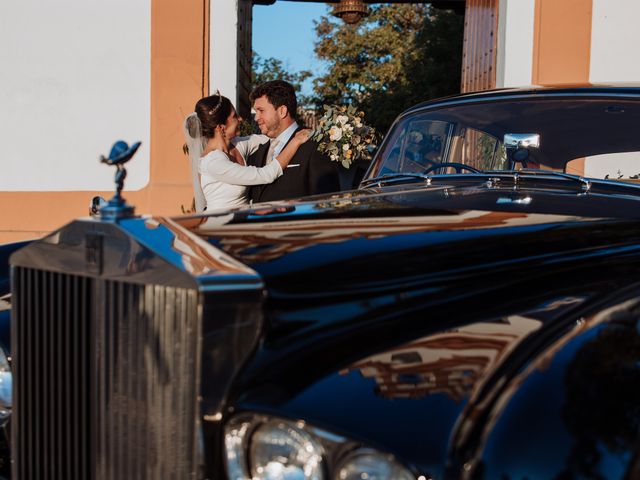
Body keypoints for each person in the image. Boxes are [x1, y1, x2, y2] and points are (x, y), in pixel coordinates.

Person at [183, 92, 311, 211]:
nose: (240, 119)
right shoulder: (213, 162)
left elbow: (270, 136)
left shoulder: (237, 145)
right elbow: (265, 175)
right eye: (234, 116)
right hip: (222, 224)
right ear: (221, 127)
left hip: (242, 220)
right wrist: (295, 142)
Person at [247, 80, 340, 203]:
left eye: (261, 110)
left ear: (282, 111)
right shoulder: (257, 150)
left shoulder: (316, 146)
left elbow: (326, 201)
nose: (256, 117)